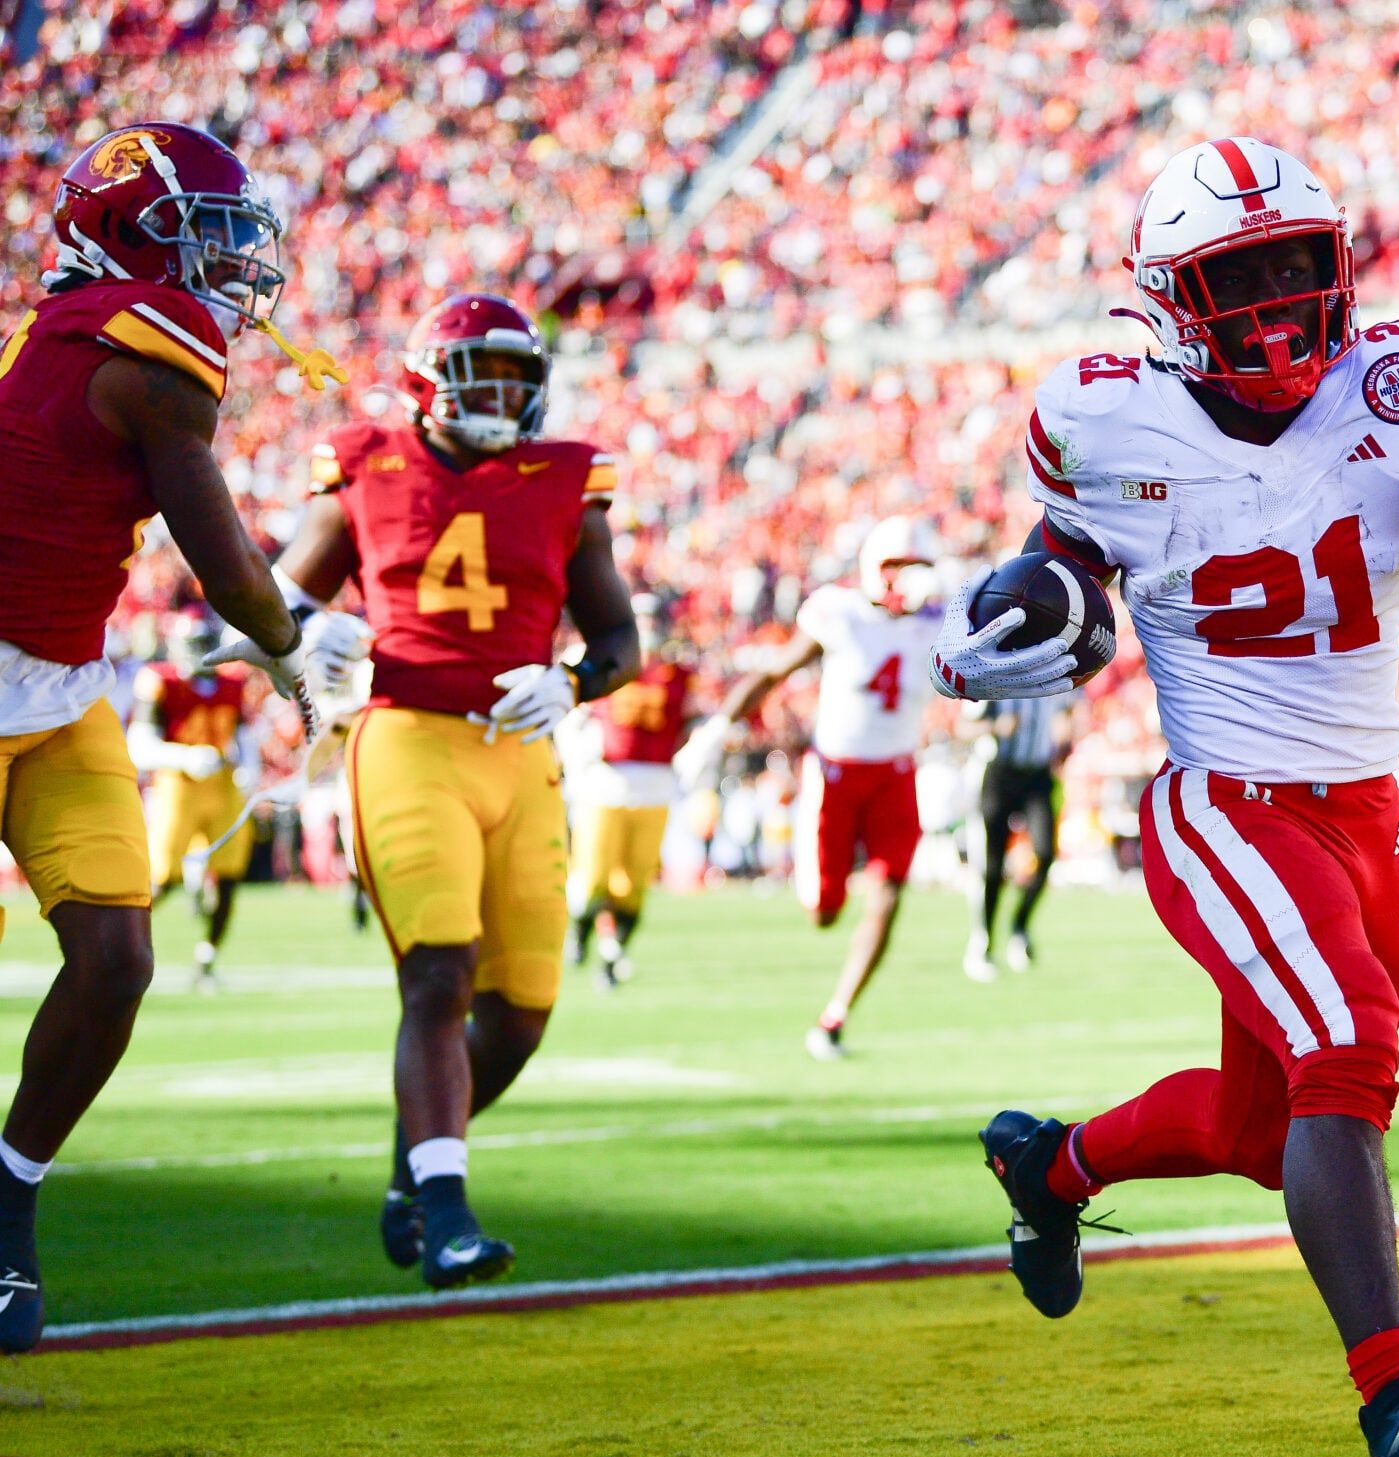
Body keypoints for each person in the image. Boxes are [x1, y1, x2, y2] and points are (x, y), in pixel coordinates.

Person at [934, 139, 1399, 1457]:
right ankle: (1391, 1393)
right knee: (1348, 1050)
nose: (1281, 302)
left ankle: (1045, 1168)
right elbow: (1056, 570)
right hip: (1223, 801)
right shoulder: (1107, 417)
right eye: (1243, 276)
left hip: (1368, 808)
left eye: (1301, 265)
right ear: (1177, 298)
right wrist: (999, 626)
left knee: (1264, 1120)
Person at [0, 124, 340, 1350]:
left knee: (116, 962)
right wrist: (295, 650)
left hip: (58, 694)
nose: (231, 266)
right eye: (205, 233)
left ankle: (8, 1202)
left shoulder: (92, 335)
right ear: (123, 235)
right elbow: (228, 570)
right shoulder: (146, 346)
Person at [272, 292, 639, 1290]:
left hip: (520, 756)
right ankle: (446, 1213)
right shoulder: (364, 462)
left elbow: (620, 642)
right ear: (431, 379)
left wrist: (569, 682)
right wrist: (305, 641)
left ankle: (410, 1170)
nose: (506, 394)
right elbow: (277, 600)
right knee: (438, 975)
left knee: (520, 1010)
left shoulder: (566, 477)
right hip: (405, 740)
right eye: (487, 373)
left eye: (521, 377)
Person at [679, 515, 940, 1060]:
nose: (908, 580)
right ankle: (825, 919)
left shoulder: (941, 621)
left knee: (888, 895)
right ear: (874, 569)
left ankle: (835, 1016)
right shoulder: (839, 613)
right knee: (823, 912)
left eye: (918, 568)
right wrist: (716, 731)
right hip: (836, 775)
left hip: (897, 773)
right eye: (899, 567)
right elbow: (775, 673)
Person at [568, 591, 694, 988]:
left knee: (633, 883)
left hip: (655, 784)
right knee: (592, 879)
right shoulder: (601, 663)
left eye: (655, 619)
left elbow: (689, 723)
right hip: (606, 781)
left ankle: (613, 954)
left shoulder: (678, 674)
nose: (650, 627)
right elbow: (572, 713)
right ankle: (579, 938)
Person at [128, 606, 254, 989]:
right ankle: (123, 948)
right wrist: (184, 756)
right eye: (193, 643)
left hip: (224, 785)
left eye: (205, 642)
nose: (200, 651)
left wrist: (249, 769)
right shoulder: (160, 681)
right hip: (177, 787)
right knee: (161, 880)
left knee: (230, 877)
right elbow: (138, 744)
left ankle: (206, 960)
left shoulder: (232, 684)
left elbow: (245, 735)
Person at [964, 689, 1074, 981]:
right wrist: (996, 727)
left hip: (1037, 775)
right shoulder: (999, 679)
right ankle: (984, 940)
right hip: (1000, 773)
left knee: (1046, 854)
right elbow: (963, 727)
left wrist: (1064, 731)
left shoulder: (1051, 675)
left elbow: (1065, 712)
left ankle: (1020, 925)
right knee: (993, 866)